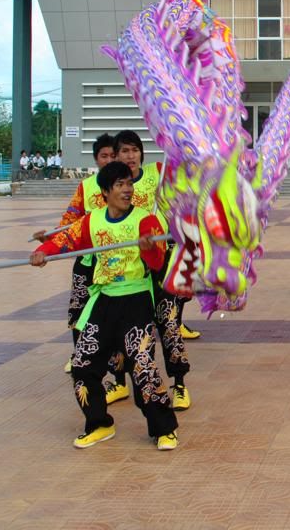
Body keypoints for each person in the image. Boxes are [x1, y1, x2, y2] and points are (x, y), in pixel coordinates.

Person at [31, 160, 179, 450]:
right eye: (120, 185)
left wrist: (150, 249)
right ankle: (99, 423)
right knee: (82, 364)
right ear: (105, 192)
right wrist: (41, 251)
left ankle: (163, 429)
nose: (127, 190)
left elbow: (157, 263)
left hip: (135, 301)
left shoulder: (146, 221)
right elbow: (66, 240)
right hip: (103, 301)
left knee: (143, 368)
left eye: (129, 183)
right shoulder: (93, 220)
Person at [107, 130, 193, 411]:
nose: (129, 156)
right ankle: (121, 381)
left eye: (134, 150)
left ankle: (179, 385)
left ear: (141, 154)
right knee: (124, 327)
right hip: (128, 267)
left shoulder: (159, 172)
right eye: (124, 151)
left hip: (162, 261)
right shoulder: (112, 186)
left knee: (168, 323)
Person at [32, 134, 117, 373]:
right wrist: (49, 239)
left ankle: (114, 365)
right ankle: (79, 354)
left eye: (113, 155)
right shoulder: (87, 186)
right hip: (88, 259)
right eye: (104, 156)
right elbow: (71, 222)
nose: (109, 160)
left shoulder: (126, 185)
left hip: (115, 261)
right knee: (78, 309)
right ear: (96, 159)